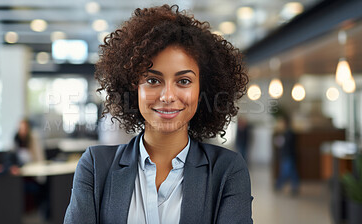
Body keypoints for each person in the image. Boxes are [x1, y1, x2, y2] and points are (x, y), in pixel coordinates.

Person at [64, 4, 252, 224]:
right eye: (153, 80)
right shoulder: (95, 167)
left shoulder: (227, 170)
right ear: (134, 88)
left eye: (184, 81)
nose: (168, 96)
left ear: (203, 89)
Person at [274, 114, 299, 195]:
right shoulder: (285, 133)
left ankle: (279, 185)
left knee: (286, 172)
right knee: (291, 172)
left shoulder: (289, 133)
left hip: (288, 155)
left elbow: (284, 144)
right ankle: (293, 187)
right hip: (286, 155)